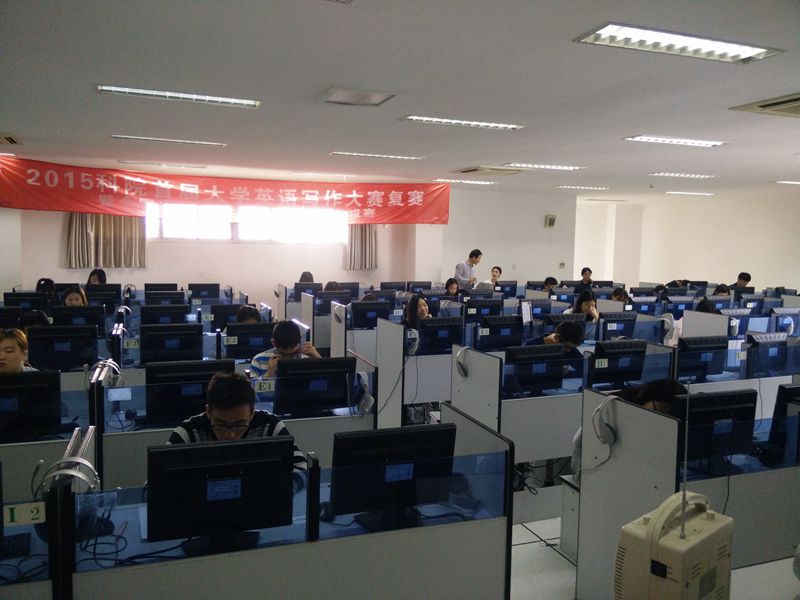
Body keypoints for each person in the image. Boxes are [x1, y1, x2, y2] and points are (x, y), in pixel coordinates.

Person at [167, 372, 307, 483]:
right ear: (208, 412)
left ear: (252, 413)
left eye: (239, 424)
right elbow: (157, 481)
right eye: (221, 424)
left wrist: (270, 491)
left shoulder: (270, 425)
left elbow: (302, 467)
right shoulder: (188, 431)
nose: (230, 435)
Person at [571, 378, 687, 484]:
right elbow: (580, 441)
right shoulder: (615, 408)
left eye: (667, 414)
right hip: (591, 469)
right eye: (659, 409)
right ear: (648, 397)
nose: (660, 416)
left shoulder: (652, 422)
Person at [250, 320, 320, 379]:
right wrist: (269, 373)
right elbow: (253, 389)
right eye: (283, 354)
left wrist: (319, 361)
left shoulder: (307, 358)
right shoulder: (259, 361)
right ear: (274, 343)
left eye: (295, 353)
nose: (289, 358)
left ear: (300, 341)